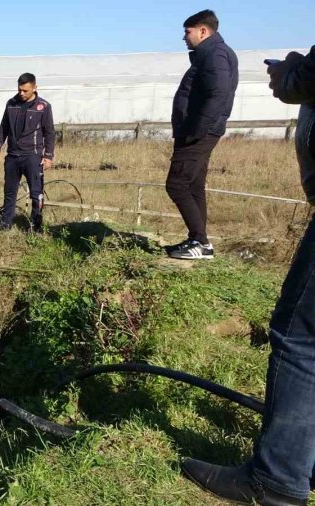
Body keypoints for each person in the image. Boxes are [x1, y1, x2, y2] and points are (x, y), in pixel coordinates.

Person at [180, 47, 315, 506]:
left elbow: (309, 79)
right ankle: (303, 458)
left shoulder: (214, 60)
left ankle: (279, 477)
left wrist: (292, 73)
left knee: (302, 341)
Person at [165, 9, 238, 260]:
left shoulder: (215, 55)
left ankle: (201, 242)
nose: (185, 37)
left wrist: (197, 129)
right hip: (199, 130)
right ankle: (198, 240)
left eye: (188, 32)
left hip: (198, 132)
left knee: (177, 185)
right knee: (194, 185)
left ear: (203, 31)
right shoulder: (210, 55)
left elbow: (217, 94)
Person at [0, 73, 55, 233]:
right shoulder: (11, 104)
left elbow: (50, 133)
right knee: (9, 191)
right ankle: (6, 223)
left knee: (36, 193)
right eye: (20, 90)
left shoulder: (43, 106)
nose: (22, 93)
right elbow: (4, 126)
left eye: (25, 90)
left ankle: (36, 225)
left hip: (32, 156)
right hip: (13, 156)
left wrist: (48, 156)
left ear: (34, 88)